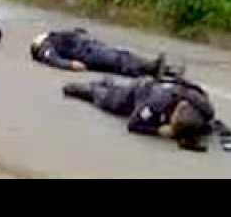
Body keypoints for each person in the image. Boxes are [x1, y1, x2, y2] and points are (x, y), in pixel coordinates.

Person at [62, 75, 215, 151]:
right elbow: (133, 123)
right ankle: (87, 88)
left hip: (163, 86)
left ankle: (108, 82)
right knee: (109, 101)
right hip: (140, 91)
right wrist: (157, 131)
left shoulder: (205, 109)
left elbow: (207, 126)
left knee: (116, 89)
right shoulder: (157, 103)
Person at [30, 28, 183, 78]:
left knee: (124, 56)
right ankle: (151, 68)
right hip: (86, 53)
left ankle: (164, 69)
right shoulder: (44, 47)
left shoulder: (52, 35)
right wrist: (70, 65)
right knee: (118, 60)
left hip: (91, 46)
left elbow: (76, 32)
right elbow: (53, 60)